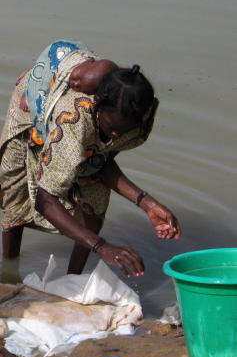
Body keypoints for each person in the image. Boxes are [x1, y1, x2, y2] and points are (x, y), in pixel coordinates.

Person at [0, 41, 181, 278]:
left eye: (124, 131)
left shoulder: (139, 119)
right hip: (33, 117)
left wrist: (148, 204)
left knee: (94, 207)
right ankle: (9, 273)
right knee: (16, 199)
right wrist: (101, 247)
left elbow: (100, 162)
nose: (116, 135)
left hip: (81, 136)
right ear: (97, 106)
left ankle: (72, 280)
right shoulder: (74, 120)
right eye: (111, 127)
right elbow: (45, 199)